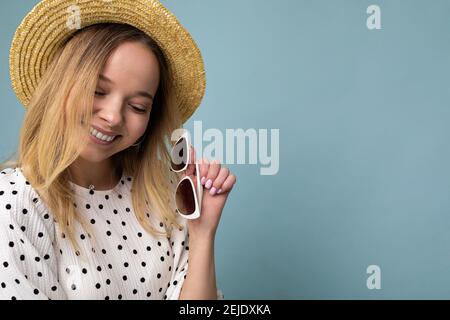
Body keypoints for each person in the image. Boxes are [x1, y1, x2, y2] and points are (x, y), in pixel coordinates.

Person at [0, 0, 236, 300]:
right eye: (97, 90)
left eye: (138, 106)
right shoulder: (14, 203)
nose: (112, 117)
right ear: (59, 86)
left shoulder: (164, 200)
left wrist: (202, 235)